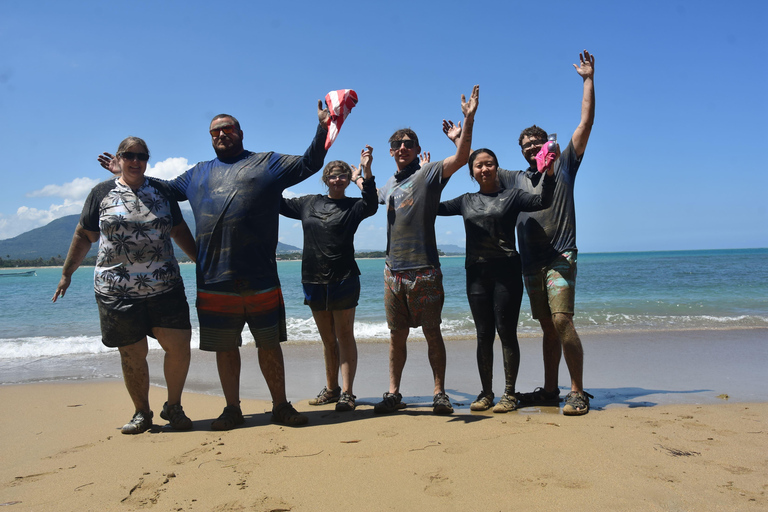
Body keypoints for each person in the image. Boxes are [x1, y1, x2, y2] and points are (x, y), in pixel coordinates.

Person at [99, 102, 331, 429]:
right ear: (210, 138)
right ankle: (232, 409)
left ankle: (280, 405)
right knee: (226, 348)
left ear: (240, 132)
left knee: (269, 344)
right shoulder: (197, 174)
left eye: (228, 128)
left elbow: (311, 162)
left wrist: (323, 127)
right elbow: (162, 189)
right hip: (214, 279)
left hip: (260, 275)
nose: (222, 134)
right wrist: (126, 173)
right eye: (215, 131)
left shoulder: (267, 163)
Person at [445, 50, 595, 415]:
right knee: (547, 326)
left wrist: (588, 80)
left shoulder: (563, 165)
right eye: (525, 146)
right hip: (528, 262)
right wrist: (459, 141)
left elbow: (584, 124)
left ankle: (577, 391)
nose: (530, 149)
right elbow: (481, 170)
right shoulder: (513, 179)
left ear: (546, 146)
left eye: (535, 144)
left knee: (561, 320)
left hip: (560, 254)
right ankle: (549, 389)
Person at [53, 136, 197, 434]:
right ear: (119, 158)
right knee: (132, 353)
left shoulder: (161, 192)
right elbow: (84, 235)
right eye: (129, 155)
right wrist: (67, 273)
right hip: (115, 290)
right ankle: (142, 413)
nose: (136, 161)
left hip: (165, 286)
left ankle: (174, 406)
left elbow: (179, 230)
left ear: (147, 159)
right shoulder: (101, 193)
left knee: (179, 346)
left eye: (141, 156)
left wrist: (200, 261)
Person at [374, 85, 479, 416]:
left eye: (408, 143)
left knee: (433, 333)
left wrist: (467, 122)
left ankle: (439, 393)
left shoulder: (428, 174)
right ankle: (394, 393)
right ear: (391, 151)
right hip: (394, 273)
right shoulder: (388, 186)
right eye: (396, 144)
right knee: (396, 337)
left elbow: (463, 158)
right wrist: (350, 173)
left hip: (425, 270)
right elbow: (368, 191)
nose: (402, 147)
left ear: (418, 150)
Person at [438, 148, 555, 413]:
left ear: (497, 168)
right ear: (472, 173)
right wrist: (438, 177)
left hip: (507, 271)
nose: (484, 169)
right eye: (479, 166)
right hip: (476, 273)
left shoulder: (512, 196)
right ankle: (486, 393)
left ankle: (509, 394)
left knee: (506, 332)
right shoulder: (466, 200)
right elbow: (433, 206)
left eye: (489, 164)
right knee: (483, 334)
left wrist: (548, 174)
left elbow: (542, 202)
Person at [280, 146, 377, 412]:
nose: (337, 179)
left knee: (345, 335)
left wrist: (365, 173)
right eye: (333, 176)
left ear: (348, 179)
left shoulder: (353, 206)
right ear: (325, 179)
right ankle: (331, 389)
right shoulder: (307, 203)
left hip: (343, 277)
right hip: (312, 279)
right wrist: (277, 176)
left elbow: (372, 203)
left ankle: (347, 393)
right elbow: (277, 202)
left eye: (343, 176)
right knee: (327, 339)